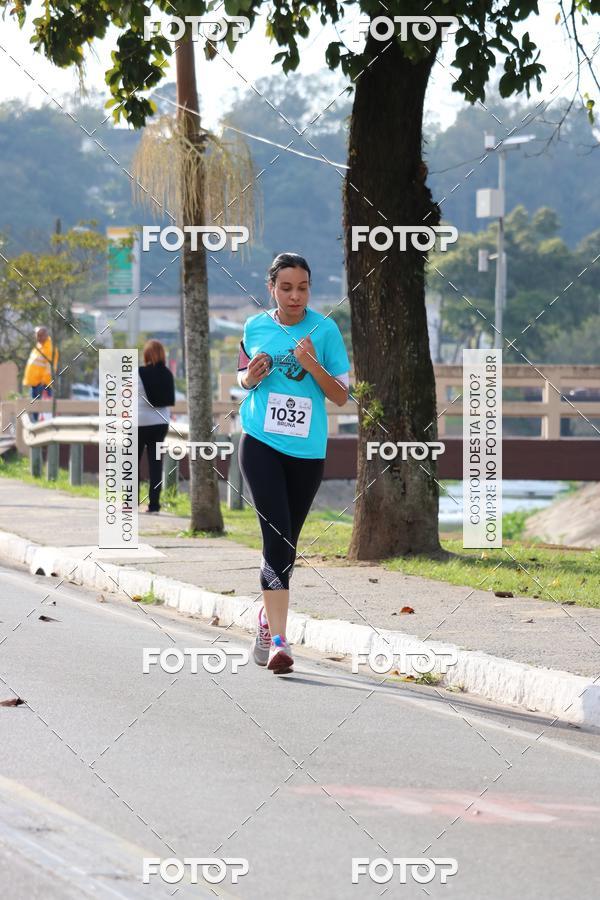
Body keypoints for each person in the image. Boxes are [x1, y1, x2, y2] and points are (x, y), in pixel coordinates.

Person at [237, 252, 350, 674]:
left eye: (302, 287)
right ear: (272, 288)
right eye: (286, 288)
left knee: (288, 547)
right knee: (277, 538)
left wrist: (311, 364)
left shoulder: (325, 329)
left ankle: (267, 620)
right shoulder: (255, 326)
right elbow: (242, 379)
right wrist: (253, 376)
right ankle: (282, 643)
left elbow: (341, 396)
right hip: (261, 442)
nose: (295, 295)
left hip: (307, 453)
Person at [138, 339, 175, 514]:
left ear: (146, 355)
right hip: (161, 423)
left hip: (138, 423)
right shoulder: (167, 373)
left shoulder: (138, 373)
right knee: (156, 464)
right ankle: (154, 505)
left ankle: (130, 503)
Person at [22, 326, 58, 421]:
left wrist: (43, 382)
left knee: (41, 409)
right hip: (35, 384)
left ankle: (40, 429)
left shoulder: (49, 348)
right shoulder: (39, 346)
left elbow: (50, 368)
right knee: (35, 408)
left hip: (42, 384)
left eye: (40, 335)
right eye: (36, 335)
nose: (37, 337)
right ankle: (36, 427)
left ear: (46, 335)